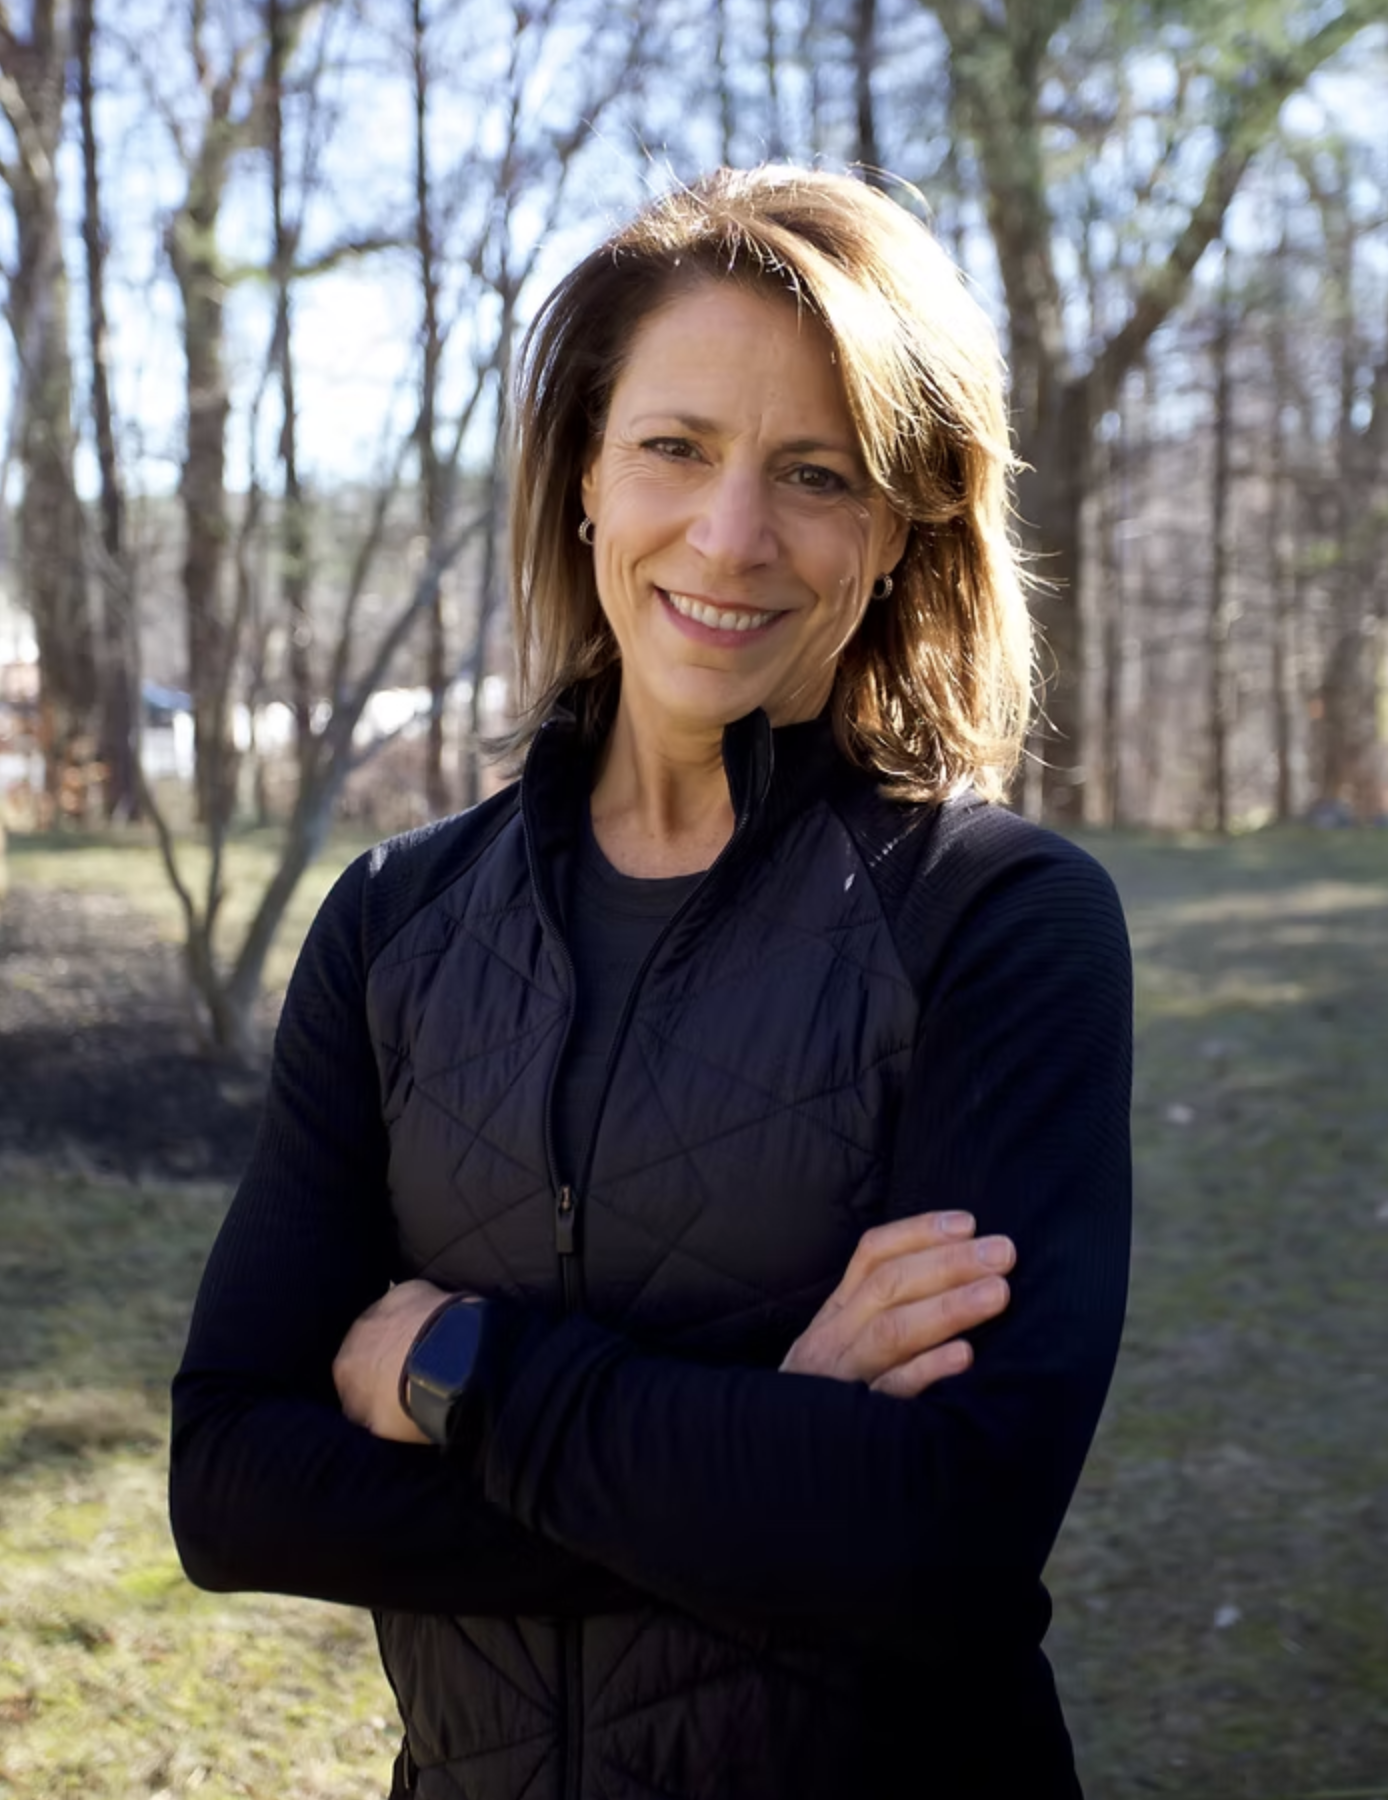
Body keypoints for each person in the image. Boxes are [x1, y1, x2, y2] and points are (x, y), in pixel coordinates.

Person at [170, 165, 1131, 1800]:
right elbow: (235, 1487)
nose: (731, 534)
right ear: (584, 487)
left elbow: (941, 1540)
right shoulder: (397, 922)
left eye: (816, 475)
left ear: (898, 533)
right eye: (674, 448)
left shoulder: (1000, 922)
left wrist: (462, 1371)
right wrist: (767, 1444)